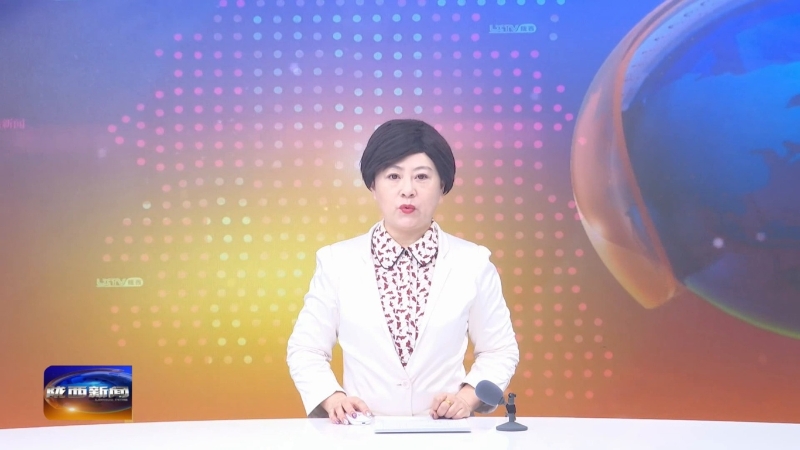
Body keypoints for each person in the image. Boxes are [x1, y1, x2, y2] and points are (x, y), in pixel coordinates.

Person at [286, 119, 519, 424]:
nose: (407, 190)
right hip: (360, 433)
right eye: (393, 176)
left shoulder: (473, 262)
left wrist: (465, 399)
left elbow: (499, 350)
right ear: (373, 185)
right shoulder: (336, 262)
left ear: (442, 186)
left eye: (422, 177)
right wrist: (334, 399)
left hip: (447, 433)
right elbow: (306, 349)